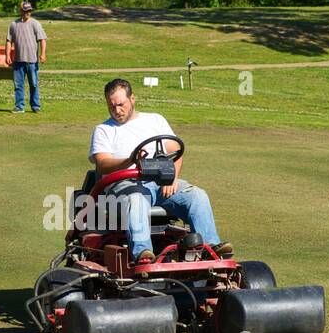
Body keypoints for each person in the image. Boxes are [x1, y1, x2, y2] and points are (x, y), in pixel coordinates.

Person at [88, 78, 232, 264]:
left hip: (161, 182)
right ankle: (143, 254)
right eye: (112, 106)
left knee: (197, 196)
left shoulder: (155, 120)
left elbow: (176, 151)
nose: (117, 110)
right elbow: (102, 164)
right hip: (123, 185)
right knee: (136, 200)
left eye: (121, 104)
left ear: (132, 99)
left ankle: (211, 248)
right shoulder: (104, 130)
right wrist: (130, 161)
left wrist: (173, 178)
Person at [6, 0, 46, 113]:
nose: (28, 13)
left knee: (33, 84)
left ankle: (35, 106)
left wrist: (42, 54)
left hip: (32, 61)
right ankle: (19, 107)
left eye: (29, 11)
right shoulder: (13, 24)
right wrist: (7, 55)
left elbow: (42, 39)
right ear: (21, 11)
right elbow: (9, 41)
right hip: (18, 61)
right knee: (18, 85)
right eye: (25, 11)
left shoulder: (35, 23)